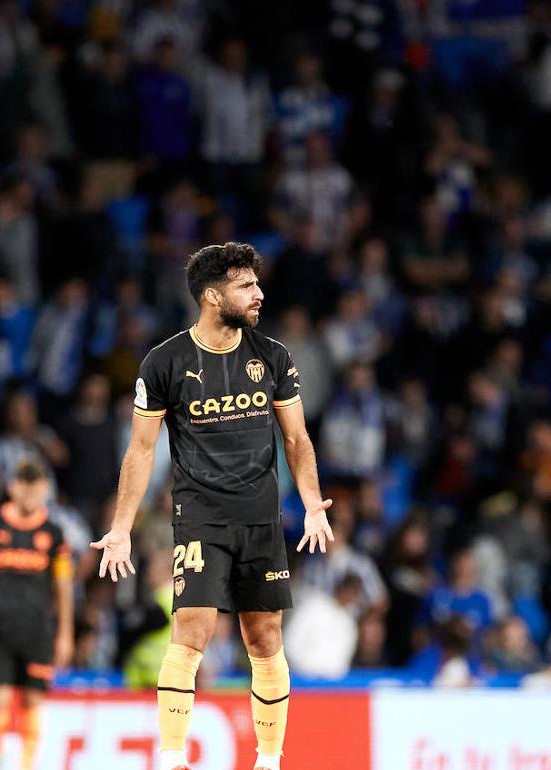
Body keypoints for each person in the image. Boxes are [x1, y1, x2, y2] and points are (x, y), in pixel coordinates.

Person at [90, 242, 334, 770]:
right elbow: (141, 448)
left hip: (261, 517)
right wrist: (121, 527)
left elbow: (296, 440)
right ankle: (173, 755)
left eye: (256, 283)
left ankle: (269, 760)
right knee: (193, 625)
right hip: (199, 514)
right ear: (211, 295)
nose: (258, 294)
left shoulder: (272, 356)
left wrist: (313, 503)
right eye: (245, 285)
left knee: (264, 635)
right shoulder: (165, 362)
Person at [0, 459, 74, 770]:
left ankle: (27, 765)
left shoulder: (54, 534)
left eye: (37, 488)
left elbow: (63, 587)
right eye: (25, 487)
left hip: (37, 630)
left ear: (45, 490)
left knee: (33, 700)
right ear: (13, 487)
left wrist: (65, 633)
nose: (30, 495)